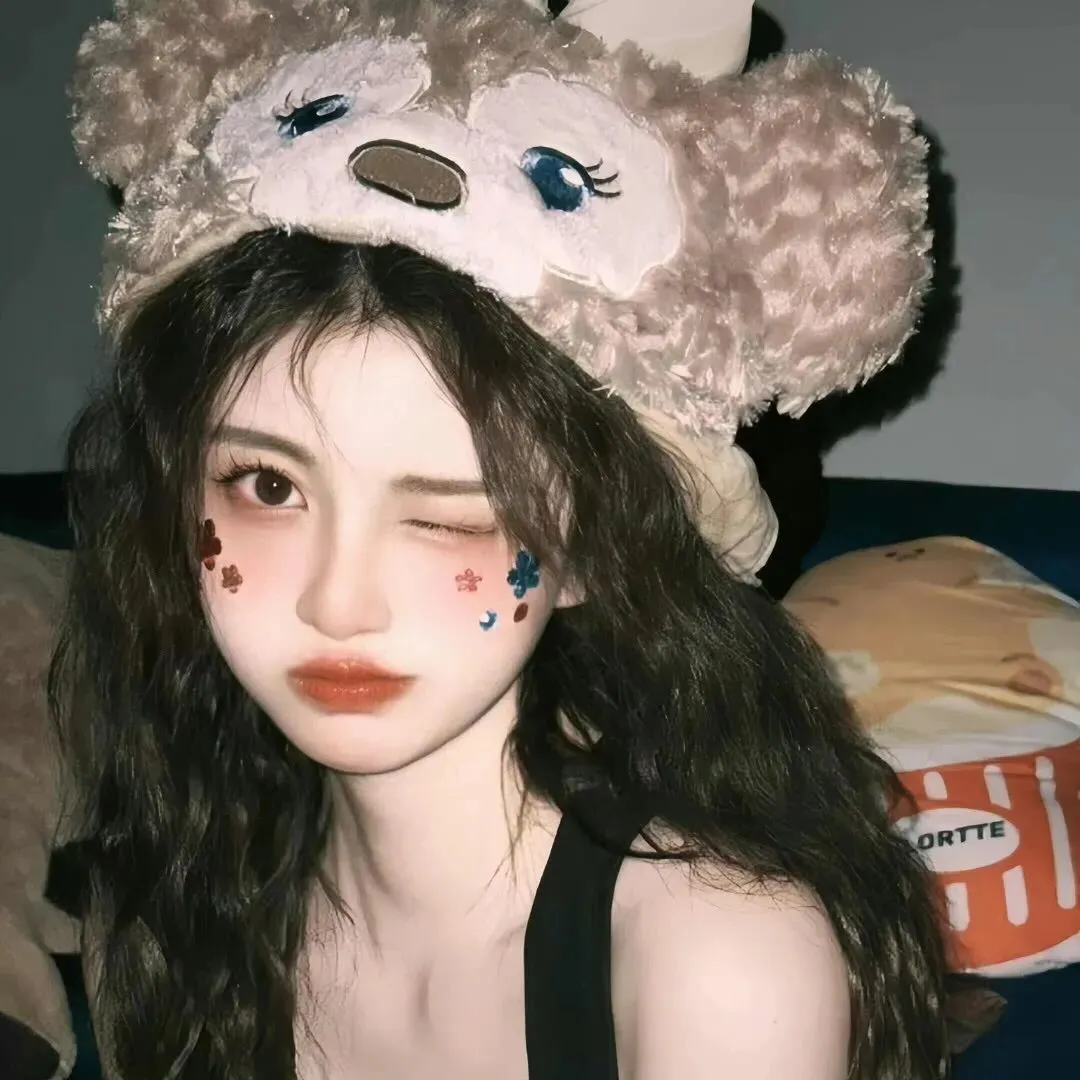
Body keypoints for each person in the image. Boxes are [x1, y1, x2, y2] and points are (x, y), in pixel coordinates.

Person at [48, 1, 950, 1078]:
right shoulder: (167, 901)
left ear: (594, 546)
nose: (339, 602)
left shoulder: (718, 963)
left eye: (452, 513)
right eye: (268, 485)